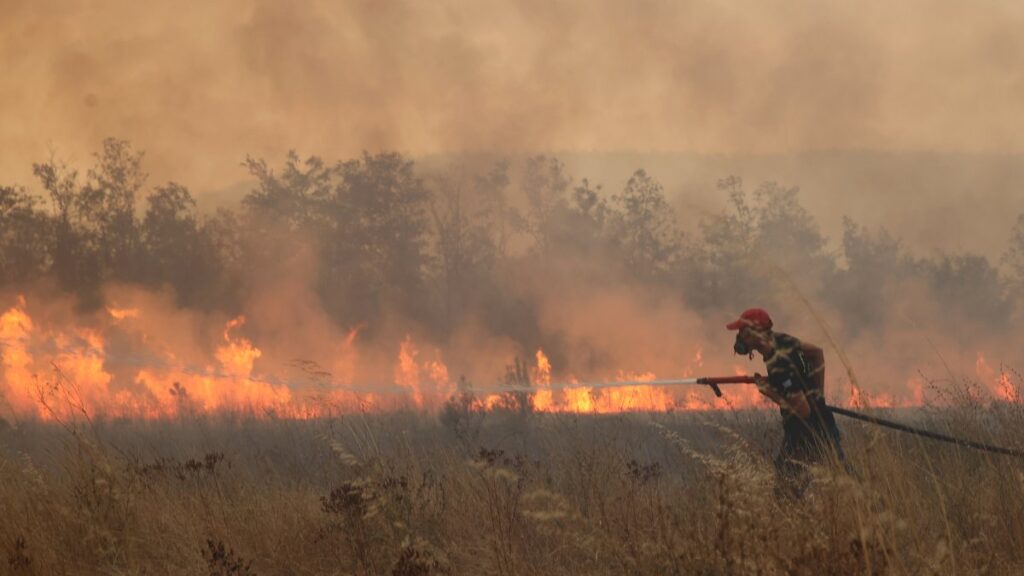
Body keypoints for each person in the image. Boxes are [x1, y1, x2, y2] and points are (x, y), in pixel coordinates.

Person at [726, 308, 845, 496]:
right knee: (844, 478)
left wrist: (770, 392)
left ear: (756, 333)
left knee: (785, 493)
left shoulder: (778, 364)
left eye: (743, 332)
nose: (739, 336)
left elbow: (803, 411)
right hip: (823, 423)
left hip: (805, 435)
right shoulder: (782, 340)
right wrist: (817, 396)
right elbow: (816, 354)